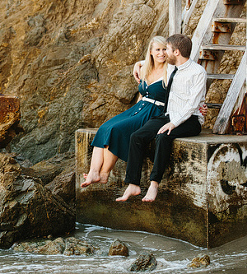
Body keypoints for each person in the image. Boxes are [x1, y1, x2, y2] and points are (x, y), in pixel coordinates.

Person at [117, 33, 207, 202]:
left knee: (162, 136)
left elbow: (192, 105)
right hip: (168, 115)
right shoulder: (172, 67)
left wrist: (174, 123)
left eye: (168, 50)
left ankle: (154, 184)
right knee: (136, 136)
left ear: (177, 52)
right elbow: (149, 61)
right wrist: (138, 64)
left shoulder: (198, 72)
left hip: (191, 119)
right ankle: (133, 184)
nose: (165, 53)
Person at [80, 36, 172, 188]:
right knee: (104, 127)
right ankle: (93, 172)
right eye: (157, 50)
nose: (161, 53)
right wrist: (139, 63)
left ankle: (104, 174)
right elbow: (142, 94)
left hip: (154, 111)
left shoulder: (170, 71)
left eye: (164, 50)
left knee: (116, 130)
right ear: (151, 51)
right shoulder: (145, 69)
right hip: (138, 107)